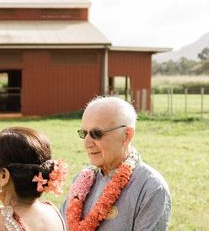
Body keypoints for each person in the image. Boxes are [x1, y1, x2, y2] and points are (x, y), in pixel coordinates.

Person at [62, 96, 171, 230]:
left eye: (96, 133)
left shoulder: (151, 187)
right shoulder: (81, 179)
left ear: (126, 136)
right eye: (84, 133)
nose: (87, 143)